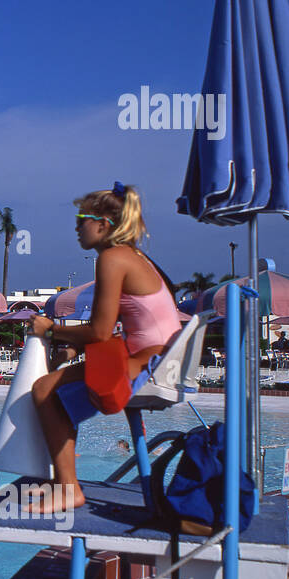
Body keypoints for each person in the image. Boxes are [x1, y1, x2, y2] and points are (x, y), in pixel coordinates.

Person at [27, 183, 182, 513]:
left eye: (80, 219)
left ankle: (68, 489)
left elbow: (99, 331)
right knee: (56, 388)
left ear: (103, 224)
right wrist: (73, 345)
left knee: (43, 390)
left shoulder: (112, 258)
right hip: (158, 358)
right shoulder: (135, 256)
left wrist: (51, 330)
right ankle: (62, 485)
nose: (75, 227)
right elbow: (110, 329)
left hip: (151, 365)